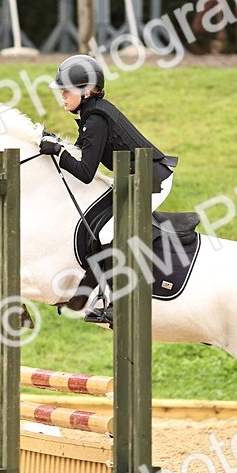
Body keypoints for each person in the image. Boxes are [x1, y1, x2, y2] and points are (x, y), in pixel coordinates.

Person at [38, 55, 178, 326]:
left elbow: (85, 173)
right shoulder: (92, 114)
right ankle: (85, 294)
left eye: (67, 90)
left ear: (88, 91)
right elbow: (82, 151)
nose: (62, 95)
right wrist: (55, 143)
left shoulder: (96, 119)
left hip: (153, 180)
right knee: (97, 227)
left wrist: (57, 151)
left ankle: (119, 302)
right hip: (132, 177)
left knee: (107, 232)